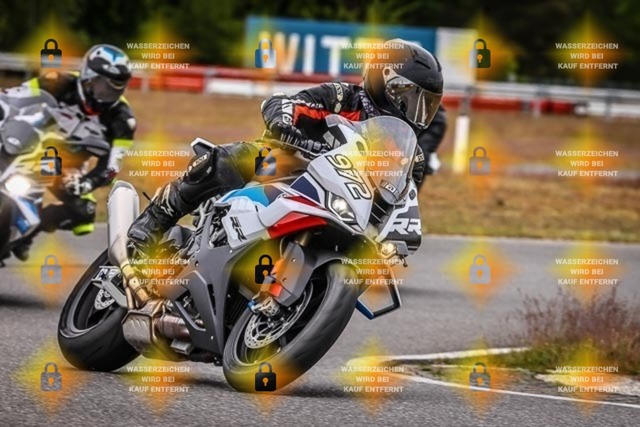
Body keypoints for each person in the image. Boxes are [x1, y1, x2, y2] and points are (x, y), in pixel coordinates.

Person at [128, 39, 444, 251]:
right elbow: (286, 102)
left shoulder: (410, 154)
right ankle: (154, 220)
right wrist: (284, 123)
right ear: (382, 80)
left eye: (425, 104)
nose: (417, 112)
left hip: (342, 204)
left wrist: (397, 237)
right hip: (287, 166)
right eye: (409, 97)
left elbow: (402, 201)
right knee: (229, 160)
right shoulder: (343, 97)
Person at [12, 44, 135, 260]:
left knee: (84, 214)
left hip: (66, 168)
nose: (107, 95)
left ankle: (29, 233)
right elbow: (13, 97)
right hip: (27, 148)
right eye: (102, 85)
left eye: (115, 88)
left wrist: (86, 183)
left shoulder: (123, 120)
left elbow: (112, 167)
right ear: (88, 76)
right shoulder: (57, 82)